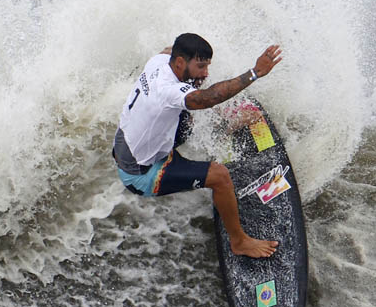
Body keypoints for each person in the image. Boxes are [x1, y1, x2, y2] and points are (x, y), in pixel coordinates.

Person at [113, 32, 283, 258]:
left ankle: (225, 122)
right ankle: (240, 242)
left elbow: (169, 51)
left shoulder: (160, 61)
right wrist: (255, 73)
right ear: (180, 61)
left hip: (127, 144)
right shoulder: (167, 90)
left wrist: (195, 63)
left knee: (189, 102)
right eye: (201, 66)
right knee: (220, 176)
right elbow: (207, 98)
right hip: (141, 173)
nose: (206, 73)